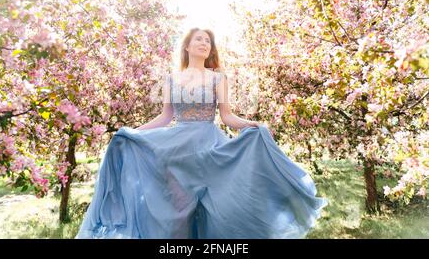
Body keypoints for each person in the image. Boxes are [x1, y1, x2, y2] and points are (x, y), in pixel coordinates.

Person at [75, 28, 328, 239]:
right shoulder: (171, 79)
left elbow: (227, 116)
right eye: (199, 39)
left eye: (208, 41)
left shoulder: (219, 79)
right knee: (179, 213)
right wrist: (131, 133)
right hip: (178, 151)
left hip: (210, 148)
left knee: (217, 210)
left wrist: (253, 124)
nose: (204, 43)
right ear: (187, 46)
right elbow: (166, 117)